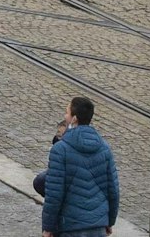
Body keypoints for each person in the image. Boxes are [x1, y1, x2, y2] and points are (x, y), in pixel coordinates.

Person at [42, 95, 120, 237]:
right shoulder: (105, 148)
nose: (65, 116)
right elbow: (113, 190)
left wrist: (48, 227)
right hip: (98, 226)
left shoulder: (60, 150)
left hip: (70, 226)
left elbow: (54, 193)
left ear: (74, 119)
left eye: (67, 112)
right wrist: (109, 221)